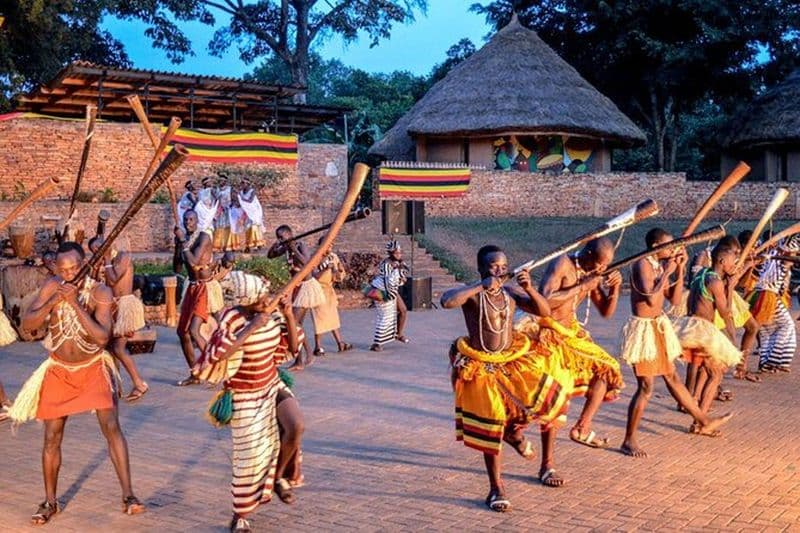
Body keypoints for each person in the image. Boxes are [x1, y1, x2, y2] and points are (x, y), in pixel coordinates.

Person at [10, 241, 145, 524]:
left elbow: (101, 337)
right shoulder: (51, 286)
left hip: (93, 367)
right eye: (63, 269)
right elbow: (28, 325)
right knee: (51, 437)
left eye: (74, 267)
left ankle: (129, 494)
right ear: (55, 268)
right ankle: (49, 501)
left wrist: (74, 303)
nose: (69, 273)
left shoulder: (100, 291)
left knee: (112, 429)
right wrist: (53, 301)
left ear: (85, 264)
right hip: (59, 370)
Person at [442, 245, 573, 511]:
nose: (500, 271)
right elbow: (447, 300)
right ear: (481, 269)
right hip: (481, 367)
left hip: (512, 361)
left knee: (541, 402)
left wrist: (529, 288)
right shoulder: (473, 294)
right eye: (494, 267)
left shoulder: (511, 293)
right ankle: (496, 488)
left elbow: (544, 311)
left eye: (504, 267)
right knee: (491, 424)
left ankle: (514, 435)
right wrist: (481, 285)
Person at [193, 273, 303, 533]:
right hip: (245, 394)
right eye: (261, 300)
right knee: (249, 459)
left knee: (296, 426)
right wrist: (251, 327)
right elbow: (220, 355)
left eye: (267, 296)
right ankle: (240, 515)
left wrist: (287, 313)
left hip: (272, 383)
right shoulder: (232, 319)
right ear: (246, 302)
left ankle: (278, 479)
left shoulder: (272, 310)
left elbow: (294, 348)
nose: (267, 301)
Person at [619, 229, 732, 457]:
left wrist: (679, 268)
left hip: (658, 327)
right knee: (646, 387)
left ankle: (703, 420)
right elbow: (651, 296)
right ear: (655, 247)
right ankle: (629, 440)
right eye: (668, 246)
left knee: (672, 377)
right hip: (643, 330)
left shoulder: (659, 265)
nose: (671, 250)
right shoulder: (643, 264)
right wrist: (668, 270)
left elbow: (675, 298)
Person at [533, 237, 625, 449]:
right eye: (600, 263)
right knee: (556, 395)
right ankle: (547, 464)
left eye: (606, 265)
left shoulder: (590, 272)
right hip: (549, 333)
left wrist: (615, 288)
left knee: (607, 370)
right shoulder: (562, 264)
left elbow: (606, 312)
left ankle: (583, 427)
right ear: (588, 254)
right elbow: (543, 302)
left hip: (571, 334)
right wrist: (581, 286)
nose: (602, 268)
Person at [672, 242, 742, 418]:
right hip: (703, 330)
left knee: (705, 368)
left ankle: (694, 400)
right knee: (716, 374)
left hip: (691, 326)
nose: (734, 265)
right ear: (721, 260)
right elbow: (725, 312)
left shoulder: (702, 273)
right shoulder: (715, 282)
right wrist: (732, 285)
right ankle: (700, 419)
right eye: (732, 261)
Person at [88, 236, 149, 402]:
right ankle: (114, 386)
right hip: (113, 307)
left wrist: (106, 258)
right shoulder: (106, 262)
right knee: (110, 348)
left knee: (119, 348)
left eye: (99, 247)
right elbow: (94, 282)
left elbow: (114, 279)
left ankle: (139, 383)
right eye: (94, 250)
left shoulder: (123, 256)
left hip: (125, 307)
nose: (98, 251)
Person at [174, 209, 222, 386]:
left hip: (205, 288)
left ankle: (216, 368)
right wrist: (177, 245)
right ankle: (195, 373)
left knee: (194, 331)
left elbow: (194, 262)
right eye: (186, 220)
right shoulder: (183, 239)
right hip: (192, 288)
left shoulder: (204, 237)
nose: (188, 222)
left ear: (197, 220)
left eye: (191, 219)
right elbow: (177, 268)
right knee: (182, 332)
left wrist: (182, 242)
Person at [267, 225, 317, 370]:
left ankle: (304, 357)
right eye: (278, 237)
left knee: (293, 324)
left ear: (289, 234)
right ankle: (303, 357)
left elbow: (308, 265)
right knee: (296, 325)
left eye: (282, 237)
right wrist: (275, 245)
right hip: (295, 288)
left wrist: (293, 248)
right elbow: (270, 256)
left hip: (305, 287)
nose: (280, 240)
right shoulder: (285, 247)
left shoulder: (300, 246)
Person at [749, 235, 800, 373]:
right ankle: (774, 360)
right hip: (767, 295)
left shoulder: (772, 254)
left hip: (761, 294)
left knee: (767, 330)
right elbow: (789, 258)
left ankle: (767, 362)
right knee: (786, 326)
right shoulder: (780, 257)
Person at [310, 238, 352, 355]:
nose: (330, 248)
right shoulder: (315, 258)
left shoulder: (333, 256)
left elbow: (339, 275)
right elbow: (315, 276)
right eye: (328, 246)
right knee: (320, 319)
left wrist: (338, 270)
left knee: (332, 318)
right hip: (318, 290)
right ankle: (318, 347)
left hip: (329, 290)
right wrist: (326, 268)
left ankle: (340, 343)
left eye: (331, 246)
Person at [369, 239, 410, 352]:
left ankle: (398, 334)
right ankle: (377, 343)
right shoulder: (386, 264)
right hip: (383, 291)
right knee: (385, 317)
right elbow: (388, 282)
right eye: (396, 253)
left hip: (392, 291)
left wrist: (402, 278)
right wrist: (388, 295)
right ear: (391, 253)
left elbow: (403, 274)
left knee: (403, 310)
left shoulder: (400, 262)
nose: (399, 254)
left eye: (400, 252)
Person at [238, 177, 266, 252]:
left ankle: (257, 244)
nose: (242, 185)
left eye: (244, 183)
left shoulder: (252, 191)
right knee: (247, 228)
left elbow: (250, 201)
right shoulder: (240, 192)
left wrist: (241, 198)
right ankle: (248, 245)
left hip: (254, 211)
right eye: (242, 183)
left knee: (254, 227)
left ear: (247, 184)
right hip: (246, 212)